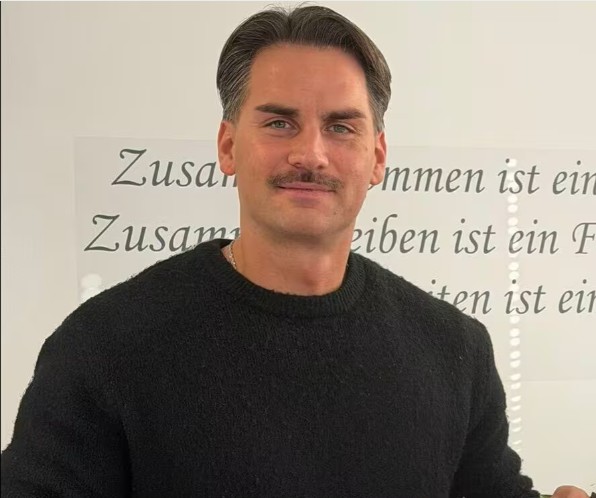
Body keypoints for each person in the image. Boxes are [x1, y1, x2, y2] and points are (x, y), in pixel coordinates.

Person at [1, 5, 591, 498]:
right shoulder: (106, 345)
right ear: (228, 146)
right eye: (280, 123)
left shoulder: (454, 350)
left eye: (341, 126)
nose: (311, 153)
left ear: (377, 156)